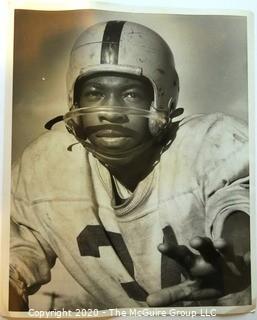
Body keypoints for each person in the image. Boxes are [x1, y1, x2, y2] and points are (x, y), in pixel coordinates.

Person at [9, 20, 250, 311]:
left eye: (131, 94)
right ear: (74, 99)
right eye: (95, 93)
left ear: (164, 101)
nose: (111, 112)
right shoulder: (46, 164)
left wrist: (238, 258)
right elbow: (10, 267)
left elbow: (240, 203)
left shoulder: (208, 142)